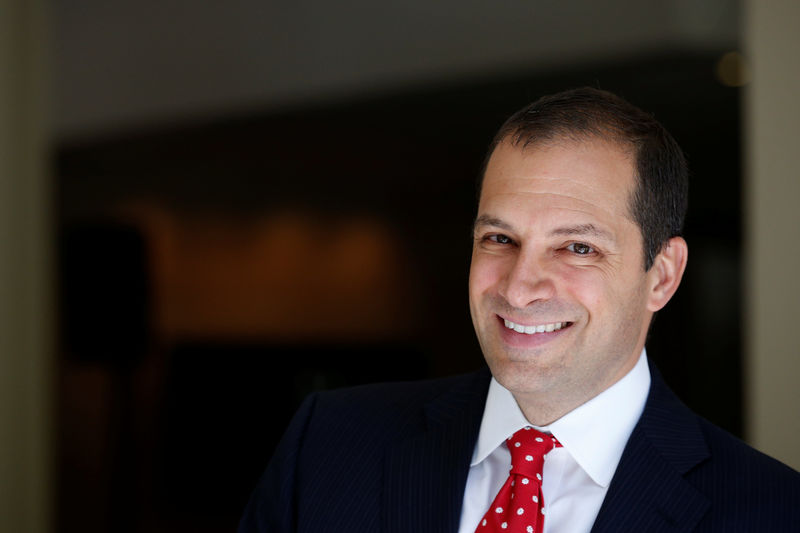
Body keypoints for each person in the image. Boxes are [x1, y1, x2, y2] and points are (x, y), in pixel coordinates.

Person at [239, 88, 800, 532]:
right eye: (499, 239)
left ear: (662, 275)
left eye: (578, 247)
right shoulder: (329, 445)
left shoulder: (774, 512)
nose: (520, 286)